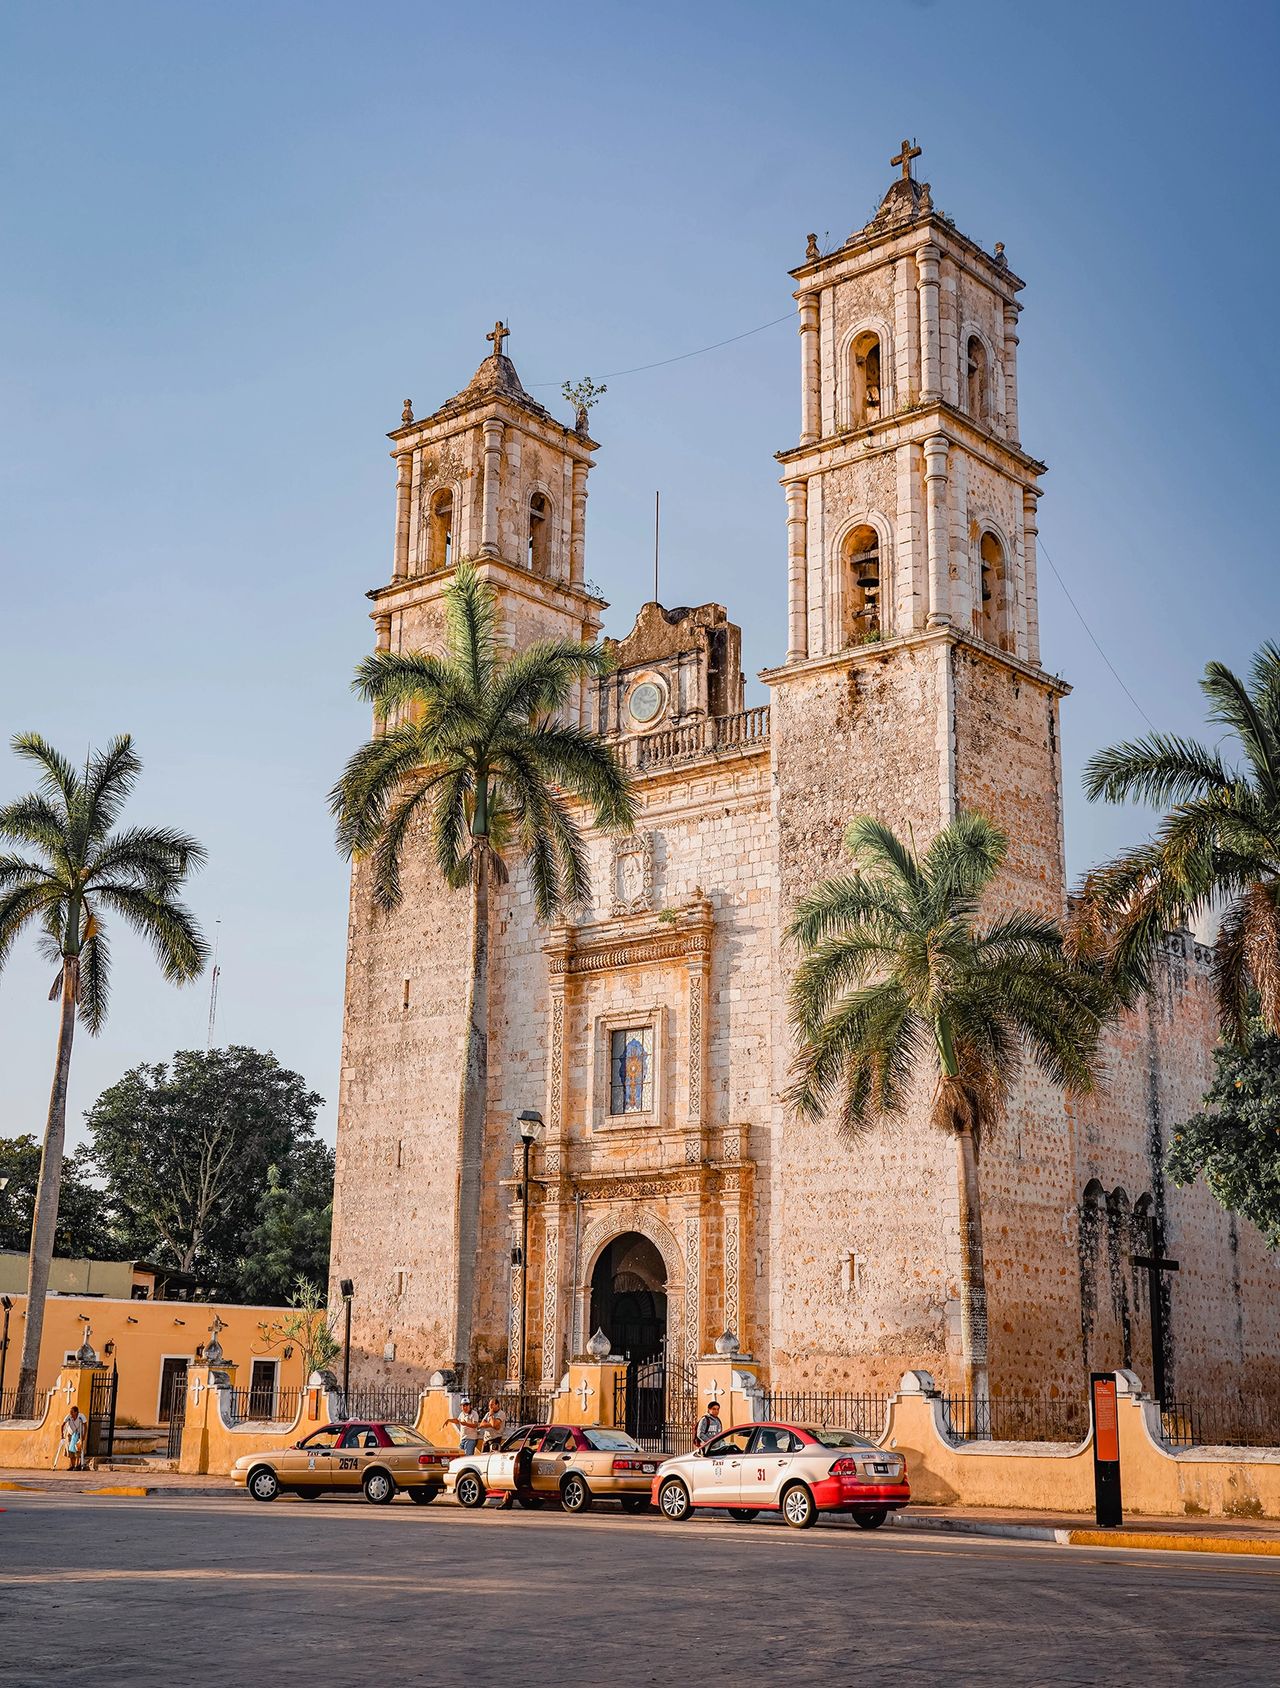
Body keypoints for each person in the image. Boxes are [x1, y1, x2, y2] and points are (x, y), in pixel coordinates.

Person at [57, 1405, 86, 1471]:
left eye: (72, 1412)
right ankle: (72, 1465)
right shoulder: (69, 1417)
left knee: (78, 1449)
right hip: (70, 1434)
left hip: (78, 1434)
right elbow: (62, 1425)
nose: (71, 1413)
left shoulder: (81, 1416)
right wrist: (62, 1434)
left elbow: (85, 1425)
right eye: (70, 1412)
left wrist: (84, 1435)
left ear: (76, 1412)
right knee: (70, 1449)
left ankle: (77, 1465)